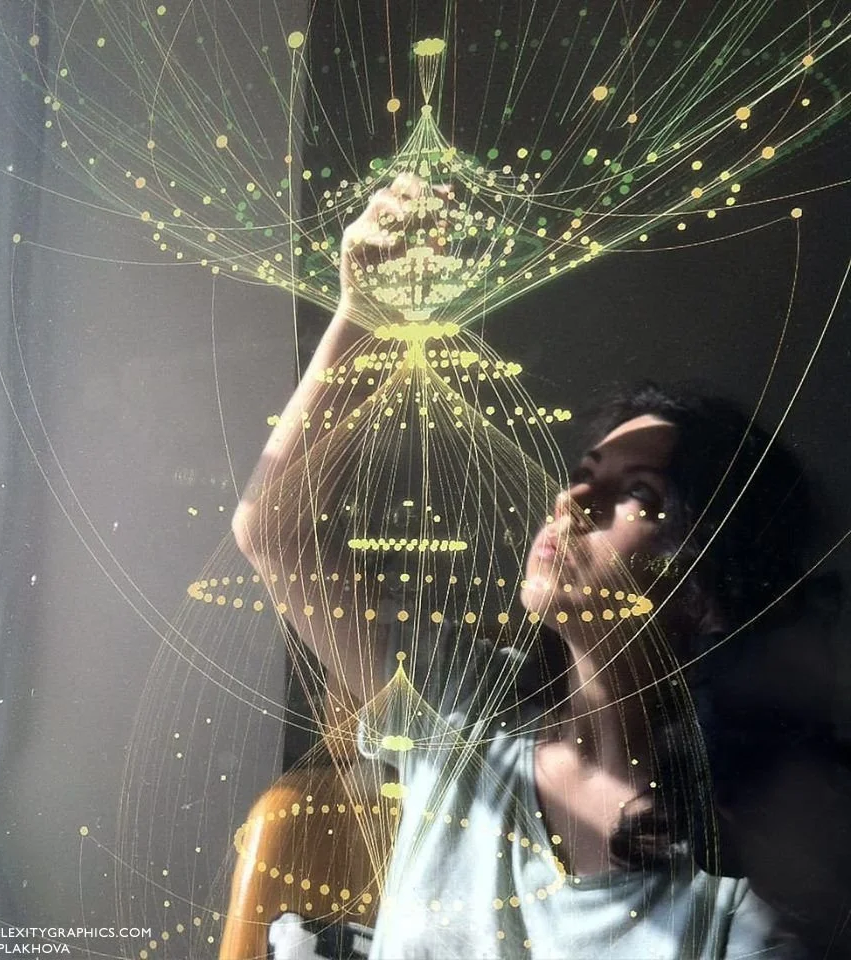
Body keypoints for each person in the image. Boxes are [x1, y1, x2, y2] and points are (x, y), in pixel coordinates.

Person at [232, 175, 840, 957]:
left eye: (641, 499)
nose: (573, 500)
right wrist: (370, 314)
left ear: (703, 597)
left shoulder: (737, 898)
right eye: (585, 471)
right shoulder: (460, 716)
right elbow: (272, 530)